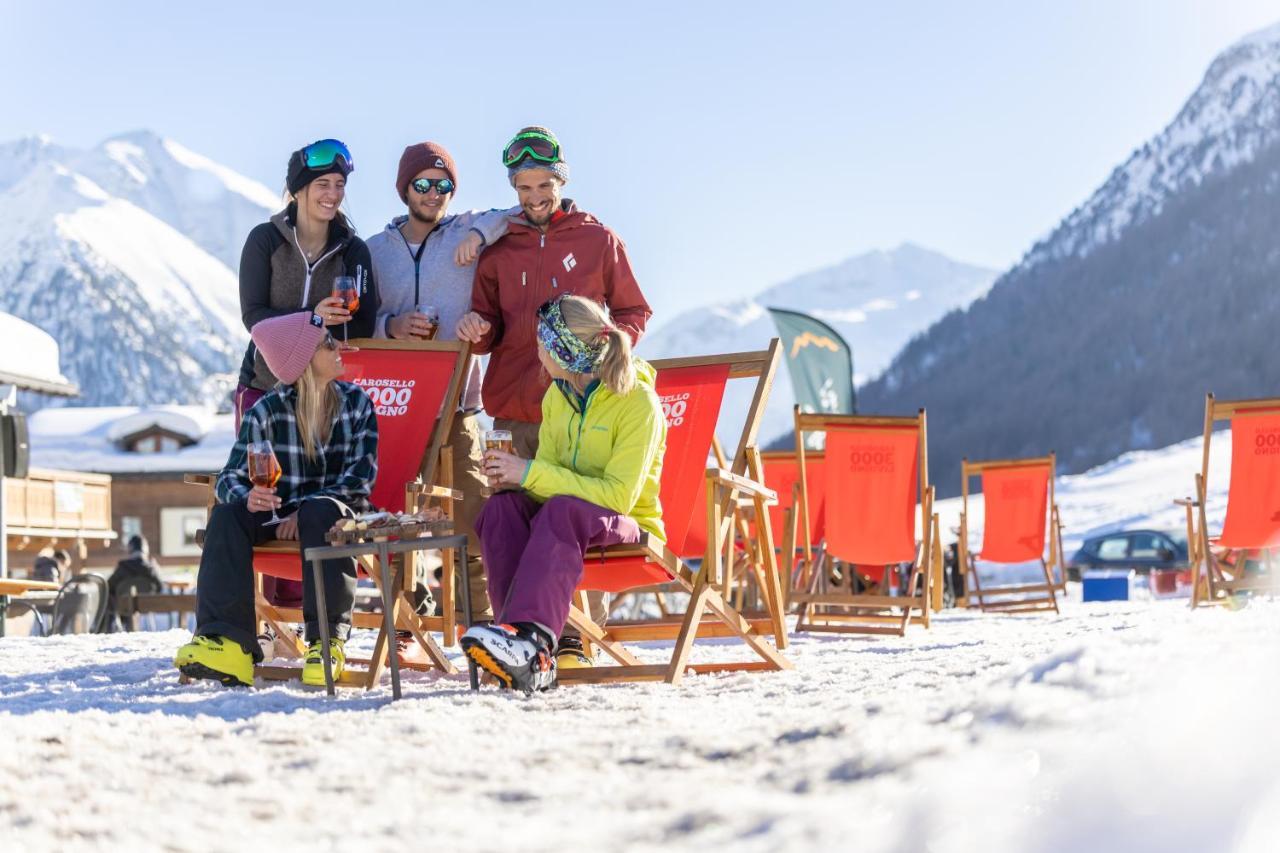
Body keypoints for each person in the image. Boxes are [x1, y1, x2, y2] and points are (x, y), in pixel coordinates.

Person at [456, 126, 653, 668]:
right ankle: (525, 638)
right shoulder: (500, 245)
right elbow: (490, 321)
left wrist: (610, 356)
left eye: (545, 185)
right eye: (524, 189)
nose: (535, 198)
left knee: (567, 512)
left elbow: (634, 312)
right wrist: (479, 327)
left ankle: (567, 640)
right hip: (517, 406)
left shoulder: (597, 239)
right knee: (512, 514)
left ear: (561, 180)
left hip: (585, 399)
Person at [460, 295, 666, 694]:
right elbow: (550, 477)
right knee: (502, 509)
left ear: (565, 349)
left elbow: (617, 497)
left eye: (543, 342)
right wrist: (515, 480)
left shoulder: (639, 404)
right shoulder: (557, 396)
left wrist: (532, 472)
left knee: (562, 510)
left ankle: (534, 648)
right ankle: (513, 637)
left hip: (626, 526)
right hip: (567, 520)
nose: (536, 350)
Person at [175, 311, 378, 688]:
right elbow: (231, 476)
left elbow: (358, 481)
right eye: (327, 343)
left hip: (333, 518)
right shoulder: (266, 411)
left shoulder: (356, 405)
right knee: (227, 516)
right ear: (302, 360)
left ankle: (326, 642)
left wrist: (302, 511)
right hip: (276, 515)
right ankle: (226, 642)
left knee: (322, 511)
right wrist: (247, 496)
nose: (338, 347)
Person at [366, 141, 517, 624]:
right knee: (397, 525)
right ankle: (408, 626)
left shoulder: (465, 234)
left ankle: (480, 631)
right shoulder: (373, 252)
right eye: (423, 184)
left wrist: (476, 231)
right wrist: (390, 326)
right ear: (403, 188)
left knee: (473, 525)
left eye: (444, 185)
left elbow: (514, 212)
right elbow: (351, 324)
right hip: (397, 411)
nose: (434, 194)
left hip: (460, 407)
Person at [233, 138, 379, 611]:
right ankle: (271, 615)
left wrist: (334, 321)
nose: (332, 194)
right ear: (297, 190)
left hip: (324, 394)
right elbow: (252, 315)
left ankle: (308, 614)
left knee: (315, 493)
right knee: (266, 493)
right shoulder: (265, 240)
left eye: (339, 185)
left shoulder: (352, 249)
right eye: (321, 184)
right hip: (265, 385)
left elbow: (364, 320)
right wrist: (311, 316)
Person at [107, 535, 164, 630]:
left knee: (111, 597)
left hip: (123, 608)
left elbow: (109, 586)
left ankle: (108, 628)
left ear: (130, 549)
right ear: (145, 550)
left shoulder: (122, 567)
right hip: (147, 606)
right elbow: (160, 587)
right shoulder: (151, 568)